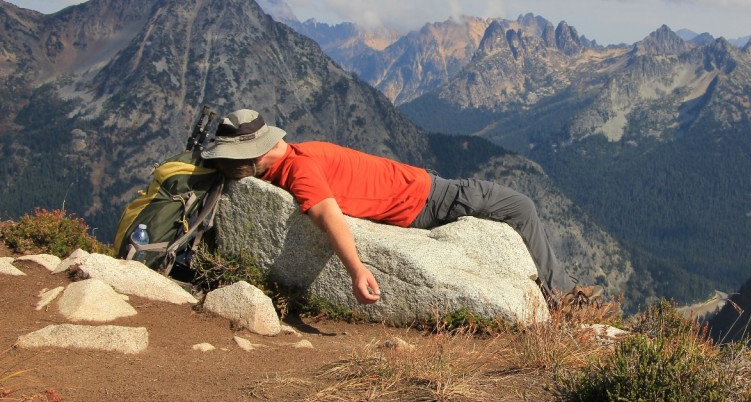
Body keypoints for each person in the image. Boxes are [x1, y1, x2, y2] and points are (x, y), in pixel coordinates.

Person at [200, 108, 601, 307]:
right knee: (522, 206)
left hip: (428, 190)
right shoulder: (301, 166)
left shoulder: (297, 161)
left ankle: (562, 295)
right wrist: (357, 271)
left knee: (516, 205)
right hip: (434, 199)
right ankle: (565, 300)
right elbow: (328, 216)